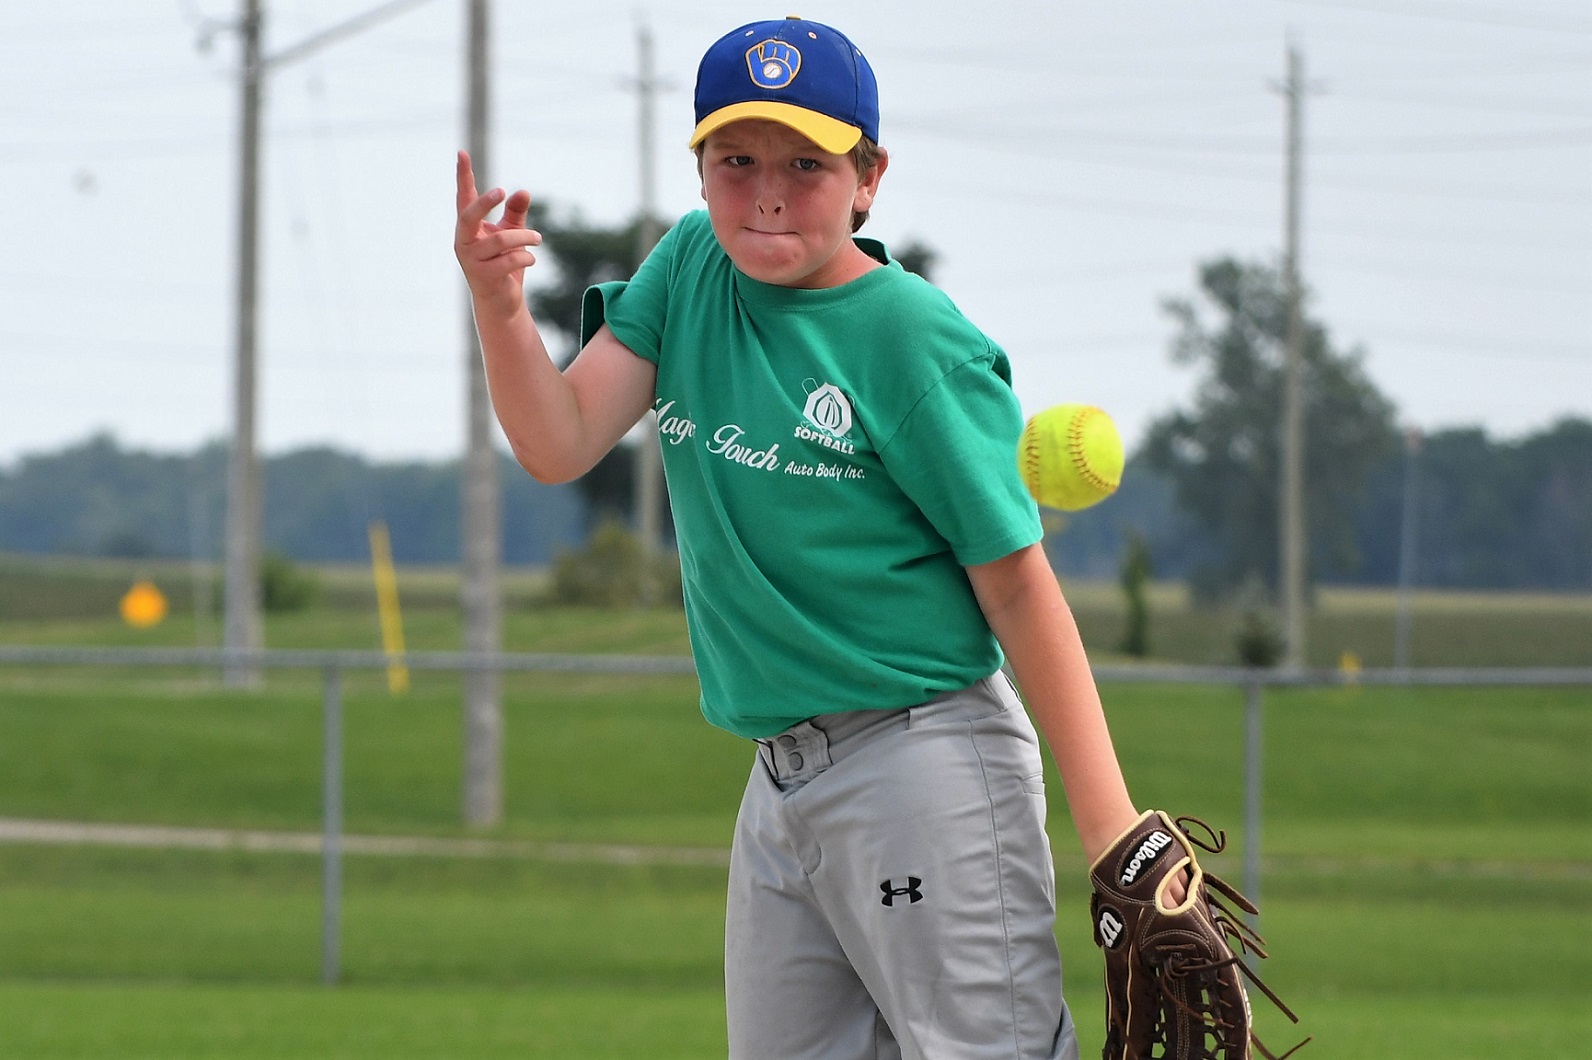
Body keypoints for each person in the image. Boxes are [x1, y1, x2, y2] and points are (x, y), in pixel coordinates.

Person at [454, 17, 1169, 1060]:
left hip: (921, 761)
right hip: (779, 779)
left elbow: (1017, 588)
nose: (767, 192)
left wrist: (1113, 834)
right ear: (698, 170)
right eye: (734, 161)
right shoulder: (691, 266)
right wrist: (497, 305)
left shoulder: (908, 338)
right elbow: (557, 440)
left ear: (869, 176)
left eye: (806, 161)